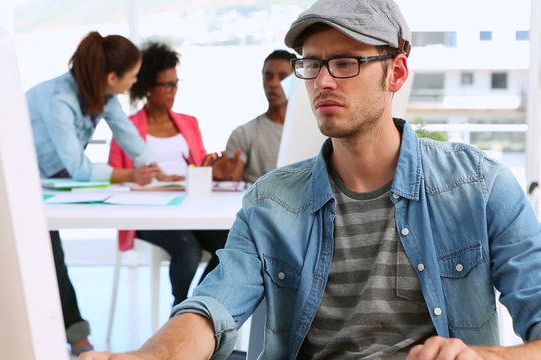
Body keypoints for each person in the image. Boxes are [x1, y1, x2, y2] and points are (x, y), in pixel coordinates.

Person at [80, 0, 541, 359]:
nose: (322, 81)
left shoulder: (480, 188)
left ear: (396, 71)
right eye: (312, 64)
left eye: (345, 63)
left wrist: (486, 355)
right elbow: (215, 304)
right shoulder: (271, 203)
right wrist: (156, 355)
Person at [26, 31, 164, 356]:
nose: (133, 84)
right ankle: (76, 337)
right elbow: (79, 169)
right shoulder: (58, 100)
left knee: (49, 256)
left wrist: (154, 169)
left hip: (51, 186)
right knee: (49, 256)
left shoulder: (102, 94)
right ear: (112, 77)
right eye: (131, 77)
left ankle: (71, 335)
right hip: (22, 183)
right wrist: (131, 175)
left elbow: (126, 131)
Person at [108, 41, 228, 306]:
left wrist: (212, 171)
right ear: (148, 87)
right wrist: (150, 178)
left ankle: (198, 307)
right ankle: (180, 309)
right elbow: (113, 178)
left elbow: (200, 168)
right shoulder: (128, 128)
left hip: (191, 210)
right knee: (188, 250)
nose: (174, 90)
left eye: (176, 83)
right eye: (167, 84)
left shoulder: (190, 123)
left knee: (230, 245)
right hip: (147, 214)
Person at [213, 49, 296, 183]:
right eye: (268, 76)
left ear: (297, 81)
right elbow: (233, 180)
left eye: (283, 77)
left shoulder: (314, 132)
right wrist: (224, 175)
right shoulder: (244, 133)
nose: (273, 84)